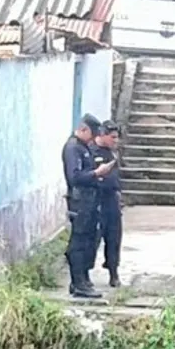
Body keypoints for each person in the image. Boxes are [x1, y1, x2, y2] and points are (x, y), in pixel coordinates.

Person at [63, 114, 114, 298]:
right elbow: (74, 177)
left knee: (88, 242)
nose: (93, 140)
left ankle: (82, 280)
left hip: (89, 201)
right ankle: (78, 283)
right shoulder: (73, 148)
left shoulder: (83, 147)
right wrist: (96, 173)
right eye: (91, 135)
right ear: (83, 129)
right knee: (78, 242)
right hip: (79, 202)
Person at [89, 121, 123, 288]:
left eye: (117, 137)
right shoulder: (91, 151)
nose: (116, 141)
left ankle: (113, 272)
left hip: (112, 200)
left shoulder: (113, 153)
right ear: (102, 135)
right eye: (113, 137)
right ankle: (83, 275)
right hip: (96, 200)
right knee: (93, 239)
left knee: (114, 237)